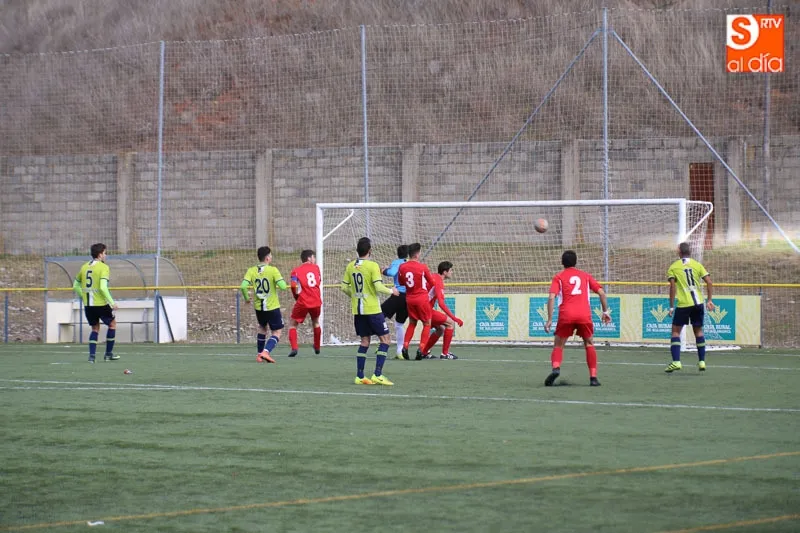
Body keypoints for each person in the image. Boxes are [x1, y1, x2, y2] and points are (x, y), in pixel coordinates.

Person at [544, 250, 611, 387]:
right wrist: (605, 312)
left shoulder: (558, 277)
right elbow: (602, 293)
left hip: (566, 315)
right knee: (589, 343)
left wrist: (549, 319)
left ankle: (556, 368)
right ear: (576, 262)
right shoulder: (585, 276)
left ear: (562, 262)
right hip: (584, 315)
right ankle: (593, 378)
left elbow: (551, 297)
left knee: (558, 344)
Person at [340, 237, 399, 385]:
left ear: (357, 251)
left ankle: (360, 376)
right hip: (372, 310)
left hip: (358, 310)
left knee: (365, 341)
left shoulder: (350, 266)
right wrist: (392, 291)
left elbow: (344, 287)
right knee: (385, 339)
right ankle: (377, 374)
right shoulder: (373, 266)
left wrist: (355, 295)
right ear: (370, 251)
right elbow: (378, 287)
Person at [665, 242, 714, 373]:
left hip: (684, 304)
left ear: (679, 252)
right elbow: (709, 282)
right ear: (689, 252)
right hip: (698, 303)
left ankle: (676, 362)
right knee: (698, 331)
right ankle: (702, 361)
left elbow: (672, 287)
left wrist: (671, 306)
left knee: (675, 332)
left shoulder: (674, 267)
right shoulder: (697, 264)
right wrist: (709, 300)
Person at [241, 246, 289, 363]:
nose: (271, 257)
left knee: (262, 328)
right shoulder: (273, 270)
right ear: (267, 258)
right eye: (270, 255)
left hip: (259, 307)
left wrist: (247, 298)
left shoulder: (251, 270)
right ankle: (266, 352)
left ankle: (259, 355)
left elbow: (243, 286)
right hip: (272, 306)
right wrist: (280, 282)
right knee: (277, 332)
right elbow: (283, 287)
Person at [73, 243, 120, 363]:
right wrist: (112, 302)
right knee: (112, 324)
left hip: (88, 305)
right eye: (104, 253)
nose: (105, 255)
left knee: (95, 329)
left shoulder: (84, 267)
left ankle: (92, 357)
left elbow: (75, 285)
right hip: (100, 304)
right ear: (100, 255)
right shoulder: (103, 267)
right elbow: (103, 287)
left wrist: (84, 296)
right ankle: (108, 354)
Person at [398, 243, 437, 359]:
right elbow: (432, 283)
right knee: (427, 324)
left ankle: (405, 346)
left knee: (412, 323)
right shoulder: (422, 267)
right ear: (417, 254)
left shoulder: (402, 267)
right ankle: (421, 348)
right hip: (422, 299)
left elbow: (401, 282)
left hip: (410, 298)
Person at [418, 261, 463, 360]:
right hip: (425, 309)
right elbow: (441, 304)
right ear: (445, 272)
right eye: (450, 270)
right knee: (450, 323)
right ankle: (445, 354)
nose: (452, 272)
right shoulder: (438, 281)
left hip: (419, 307)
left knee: (440, 328)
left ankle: (424, 352)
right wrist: (454, 318)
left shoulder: (433, 276)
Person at [287, 249, 322, 357]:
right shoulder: (316, 268)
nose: (314, 259)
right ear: (309, 258)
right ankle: (317, 347)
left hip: (303, 301)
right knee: (316, 322)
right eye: (313, 257)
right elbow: (318, 281)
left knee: (293, 324)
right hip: (316, 300)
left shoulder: (296, 271)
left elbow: (293, 285)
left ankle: (294, 348)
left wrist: (296, 296)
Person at [381, 244, 409, 359]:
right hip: (408, 297)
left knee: (378, 316)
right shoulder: (411, 263)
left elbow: (392, 272)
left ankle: (383, 341)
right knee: (399, 324)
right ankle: (399, 351)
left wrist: (383, 270)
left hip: (398, 295)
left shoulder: (397, 262)